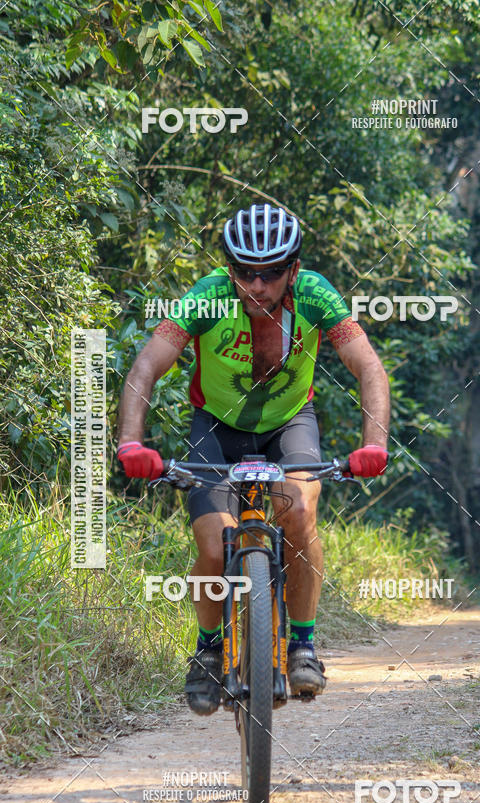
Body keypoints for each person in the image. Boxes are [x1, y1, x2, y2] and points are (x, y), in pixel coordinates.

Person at [117, 202, 390, 715]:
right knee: (216, 547)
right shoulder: (209, 296)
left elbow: (369, 368)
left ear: (294, 270)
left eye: (270, 274)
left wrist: (373, 444)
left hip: (290, 426)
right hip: (215, 428)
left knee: (301, 512)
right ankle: (207, 650)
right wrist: (132, 442)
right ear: (229, 268)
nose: (257, 285)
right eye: (245, 272)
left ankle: (303, 644)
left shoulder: (314, 296)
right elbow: (145, 367)